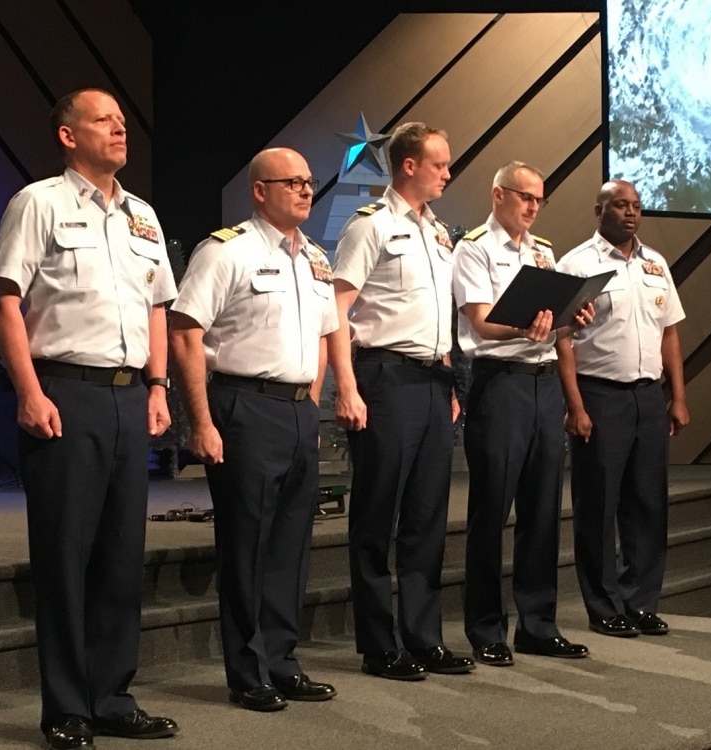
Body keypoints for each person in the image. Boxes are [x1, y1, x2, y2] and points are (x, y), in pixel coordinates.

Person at [0, 88, 179, 750]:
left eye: (124, 122)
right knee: (66, 555)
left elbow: (158, 305)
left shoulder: (143, 217)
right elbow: (6, 300)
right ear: (69, 136)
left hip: (131, 396)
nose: (120, 129)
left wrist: (158, 385)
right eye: (104, 120)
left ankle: (112, 696)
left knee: (122, 555)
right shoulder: (38, 202)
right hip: (66, 392)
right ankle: (67, 707)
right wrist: (29, 391)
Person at [168, 148, 339, 712]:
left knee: (291, 544)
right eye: (292, 182)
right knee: (246, 545)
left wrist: (311, 404)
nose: (306, 190)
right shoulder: (226, 251)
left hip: (295, 410)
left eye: (310, 182)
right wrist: (202, 421)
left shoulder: (315, 258)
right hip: (243, 404)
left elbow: (322, 336)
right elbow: (187, 333)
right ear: (259, 190)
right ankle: (248, 672)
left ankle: (283, 660)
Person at [328, 121, 474, 681]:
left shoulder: (439, 233)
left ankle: (423, 635)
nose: (448, 173)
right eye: (440, 163)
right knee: (376, 516)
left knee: (426, 518)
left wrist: (453, 384)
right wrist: (346, 385)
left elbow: (449, 317)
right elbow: (337, 311)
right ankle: (378, 644)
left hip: (433, 383)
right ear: (409, 165)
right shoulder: (371, 226)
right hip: (384, 377)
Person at [453, 161, 593, 667]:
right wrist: (525, 329)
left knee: (541, 511)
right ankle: (486, 629)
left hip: (544, 383)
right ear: (498, 195)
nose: (533, 207)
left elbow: (551, 323)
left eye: (539, 199)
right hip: (502, 385)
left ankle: (538, 624)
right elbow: (482, 322)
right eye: (525, 196)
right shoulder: (474, 247)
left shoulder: (543, 251)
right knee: (491, 511)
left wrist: (570, 316)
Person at [555, 179, 690, 639]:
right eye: (620, 205)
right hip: (599, 395)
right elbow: (563, 339)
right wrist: (574, 404)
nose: (630, 212)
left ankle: (641, 601)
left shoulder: (656, 264)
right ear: (599, 211)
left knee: (648, 503)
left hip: (649, 396)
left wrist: (678, 397)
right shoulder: (576, 264)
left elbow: (669, 332)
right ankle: (604, 606)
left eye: (635, 206)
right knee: (598, 503)